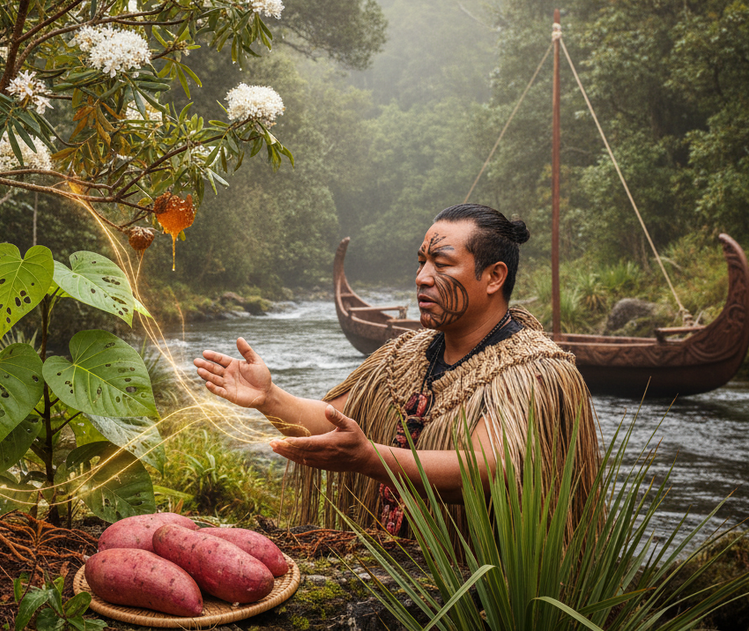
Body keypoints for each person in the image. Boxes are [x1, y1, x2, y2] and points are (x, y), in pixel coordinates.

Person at [194, 203, 600, 538]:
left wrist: (370, 459)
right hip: (394, 581)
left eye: (441, 264)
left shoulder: (535, 370)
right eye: (422, 262)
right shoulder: (402, 355)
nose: (422, 278)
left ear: (494, 276)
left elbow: (487, 470)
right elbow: (335, 422)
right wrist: (270, 397)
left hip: (481, 595)